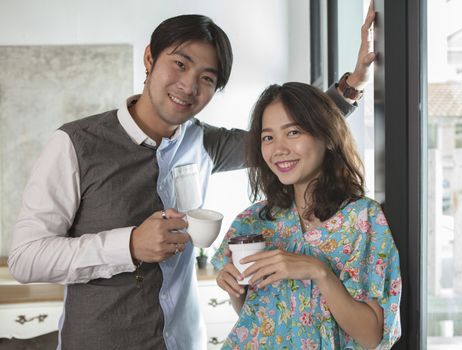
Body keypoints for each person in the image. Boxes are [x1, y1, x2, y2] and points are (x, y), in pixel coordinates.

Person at [8, 10, 375, 350]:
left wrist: (353, 84)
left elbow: (286, 137)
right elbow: (25, 259)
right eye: (180, 64)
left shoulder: (203, 142)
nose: (188, 85)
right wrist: (129, 245)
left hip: (184, 341)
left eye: (206, 79)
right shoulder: (75, 144)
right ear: (150, 58)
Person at [212, 82, 401, 349]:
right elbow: (251, 318)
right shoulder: (252, 220)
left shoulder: (362, 219)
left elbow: (372, 337)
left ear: (327, 135)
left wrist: (319, 272)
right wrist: (234, 287)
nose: (278, 149)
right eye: (268, 137)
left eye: (293, 132)